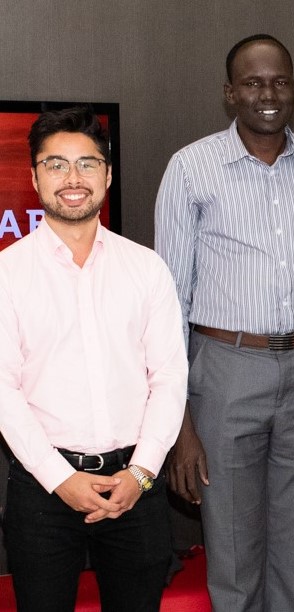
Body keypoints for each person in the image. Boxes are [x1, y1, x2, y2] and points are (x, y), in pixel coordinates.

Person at [154, 34, 294, 611]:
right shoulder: (191, 168)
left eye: (279, 81)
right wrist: (180, 424)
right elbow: (169, 302)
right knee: (234, 556)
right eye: (253, 82)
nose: (268, 93)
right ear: (230, 93)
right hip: (224, 372)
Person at [0, 106, 188, 610]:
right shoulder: (8, 273)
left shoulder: (146, 269)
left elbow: (169, 377)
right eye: (56, 164)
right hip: (42, 490)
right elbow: (3, 391)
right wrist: (60, 479)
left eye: (86, 164)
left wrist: (143, 473)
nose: (72, 178)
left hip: (135, 487)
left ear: (106, 174)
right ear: (35, 176)